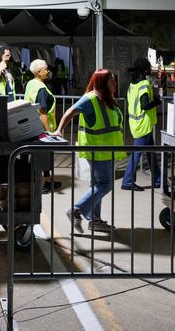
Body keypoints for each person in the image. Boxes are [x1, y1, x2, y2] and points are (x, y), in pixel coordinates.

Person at [54, 68, 127, 233]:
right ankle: (76, 210)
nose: (114, 83)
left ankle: (95, 220)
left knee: (98, 185)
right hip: (98, 150)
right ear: (102, 83)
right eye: (111, 80)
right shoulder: (91, 99)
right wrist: (59, 130)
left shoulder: (106, 99)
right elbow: (69, 112)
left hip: (106, 149)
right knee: (105, 185)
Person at [122, 58, 162, 192]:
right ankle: (127, 182)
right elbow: (145, 105)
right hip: (143, 124)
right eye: (149, 68)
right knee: (137, 153)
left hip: (136, 123)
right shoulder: (144, 84)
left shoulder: (132, 85)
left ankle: (157, 180)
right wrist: (156, 101)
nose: (151, 70)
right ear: (145, 70)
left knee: (150, 153)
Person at [24, 59, 62, 193]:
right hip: (42, 127)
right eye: (46, 69)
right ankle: (43, 185)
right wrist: (49, 132)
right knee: (44, 155)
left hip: (32, 124)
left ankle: (47, 180)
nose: (48, 71)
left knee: (41, 155)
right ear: (39, 72)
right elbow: (43, 112)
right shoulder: (41, 89)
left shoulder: (31, 83)